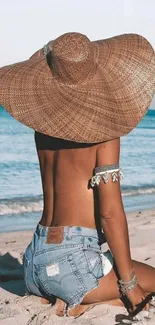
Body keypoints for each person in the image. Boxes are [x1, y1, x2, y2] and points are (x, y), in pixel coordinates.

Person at [0, 32, 155, 319]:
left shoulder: (42, 128)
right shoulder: (105, 132)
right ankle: (86, 297)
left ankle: (79, 299)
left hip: (33, 262)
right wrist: (129, 283)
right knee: (150, 282)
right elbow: (109, 213)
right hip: (75, 263)